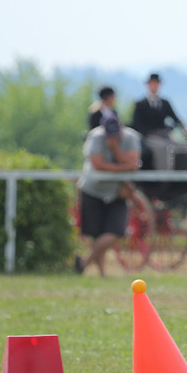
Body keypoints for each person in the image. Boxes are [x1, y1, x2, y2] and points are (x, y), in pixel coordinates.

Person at [75, 116, 141, 276]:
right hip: (93, 190)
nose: (113, 137)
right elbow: (97, 165)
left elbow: (134, 163)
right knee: (96, 233)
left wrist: (116, 149)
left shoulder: (131, 137)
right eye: (109, 135)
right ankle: (102, 273)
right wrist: (123, 168)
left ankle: (84, 261)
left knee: (117, 230)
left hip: (116, 192)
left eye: (116, 134)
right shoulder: (95, 137)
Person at [130, 73, 187, 171]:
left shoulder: (165, 103)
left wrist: (185, 132)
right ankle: (163, 175)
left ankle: (181, 174)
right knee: (162, 148)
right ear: (148, 85)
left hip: (164, 135)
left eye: (156, 83)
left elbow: (175, 119)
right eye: (152, 83)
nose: (155, 86)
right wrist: (148, 133)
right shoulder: (140, 104)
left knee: (180, 147)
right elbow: (136, 124)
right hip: (149, 137)